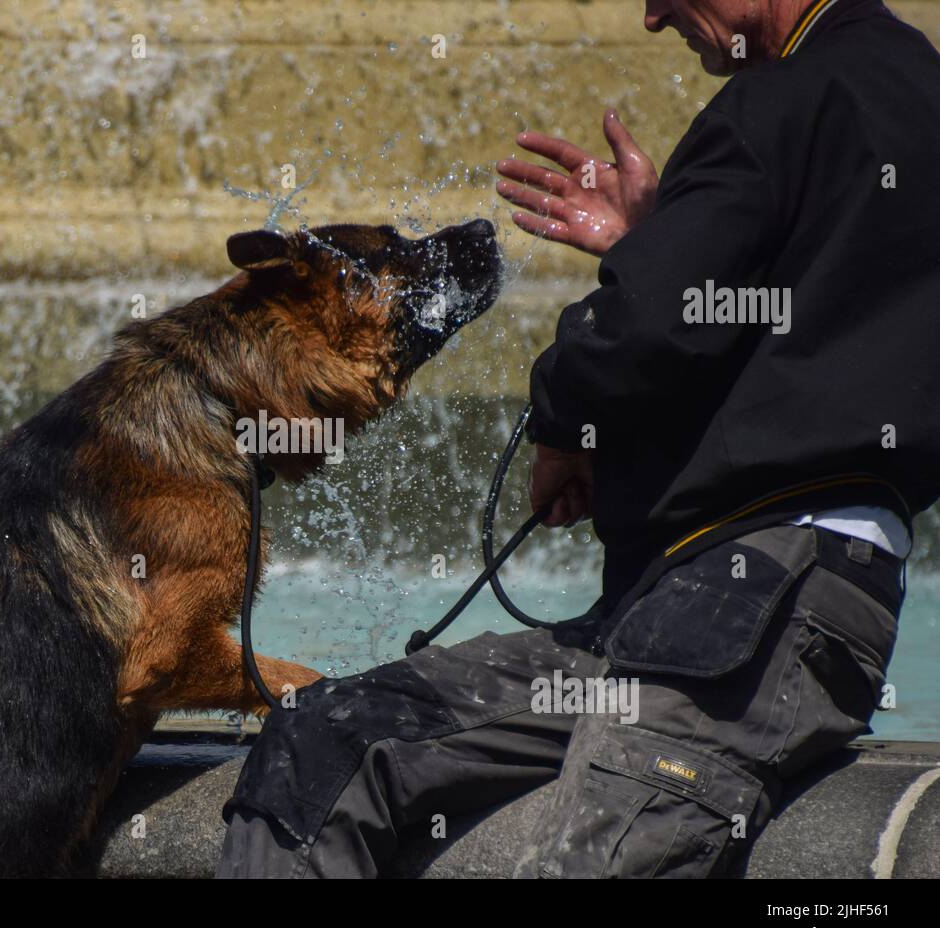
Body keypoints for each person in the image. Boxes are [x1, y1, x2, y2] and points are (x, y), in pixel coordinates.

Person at [215, 0, 940, 877]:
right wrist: (661, 242)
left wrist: (563, 420)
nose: (651, 14)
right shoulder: (904, 91)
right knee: (319, 740)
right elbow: (798, 327)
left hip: (746, 608)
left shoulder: (775, 101)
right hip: (728, 610)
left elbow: (641, 334)